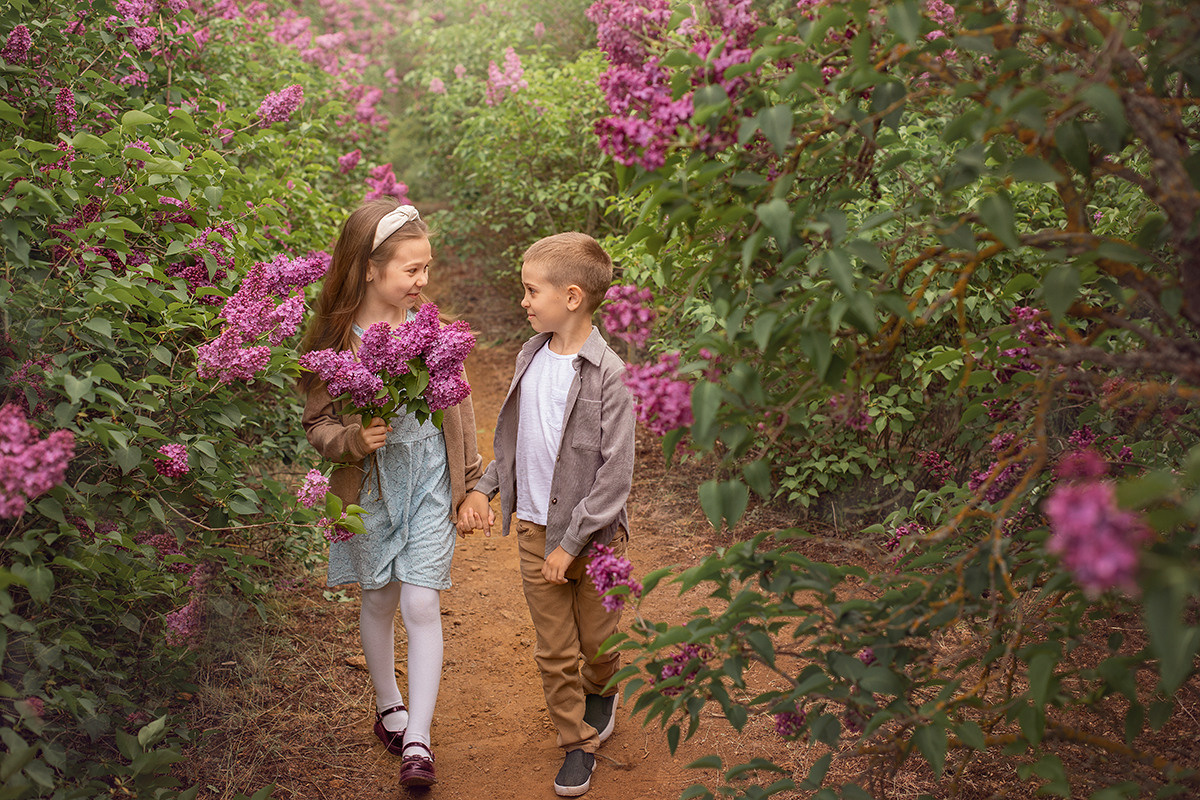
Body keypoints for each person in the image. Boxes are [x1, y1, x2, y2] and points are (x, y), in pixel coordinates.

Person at [300, 199, 489, 788]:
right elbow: (317, 426)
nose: (423, 282)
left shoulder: (427, 330)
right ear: (368, 270)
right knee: (380, 601)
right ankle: (390, 707)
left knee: (421, 604)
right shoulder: (334, 341)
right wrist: (353, 439)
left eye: (426, 268)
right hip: (372, 490)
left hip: (431, 480)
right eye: (412, 270)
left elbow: (459, 405)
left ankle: (418, 738)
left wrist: (473, 485)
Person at [459, 232, 635, 797]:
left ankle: (601, 689)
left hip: (596, 540)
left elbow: (615, 476)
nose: (525, 302)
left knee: (598, 644)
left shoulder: (610, 375)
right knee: (555, 650)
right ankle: (575, 743)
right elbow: (513, 442)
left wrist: (573, 543)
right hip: (535, 528)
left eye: (533, 291)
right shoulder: (528, 356)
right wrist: (485, 489)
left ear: (574, 296)